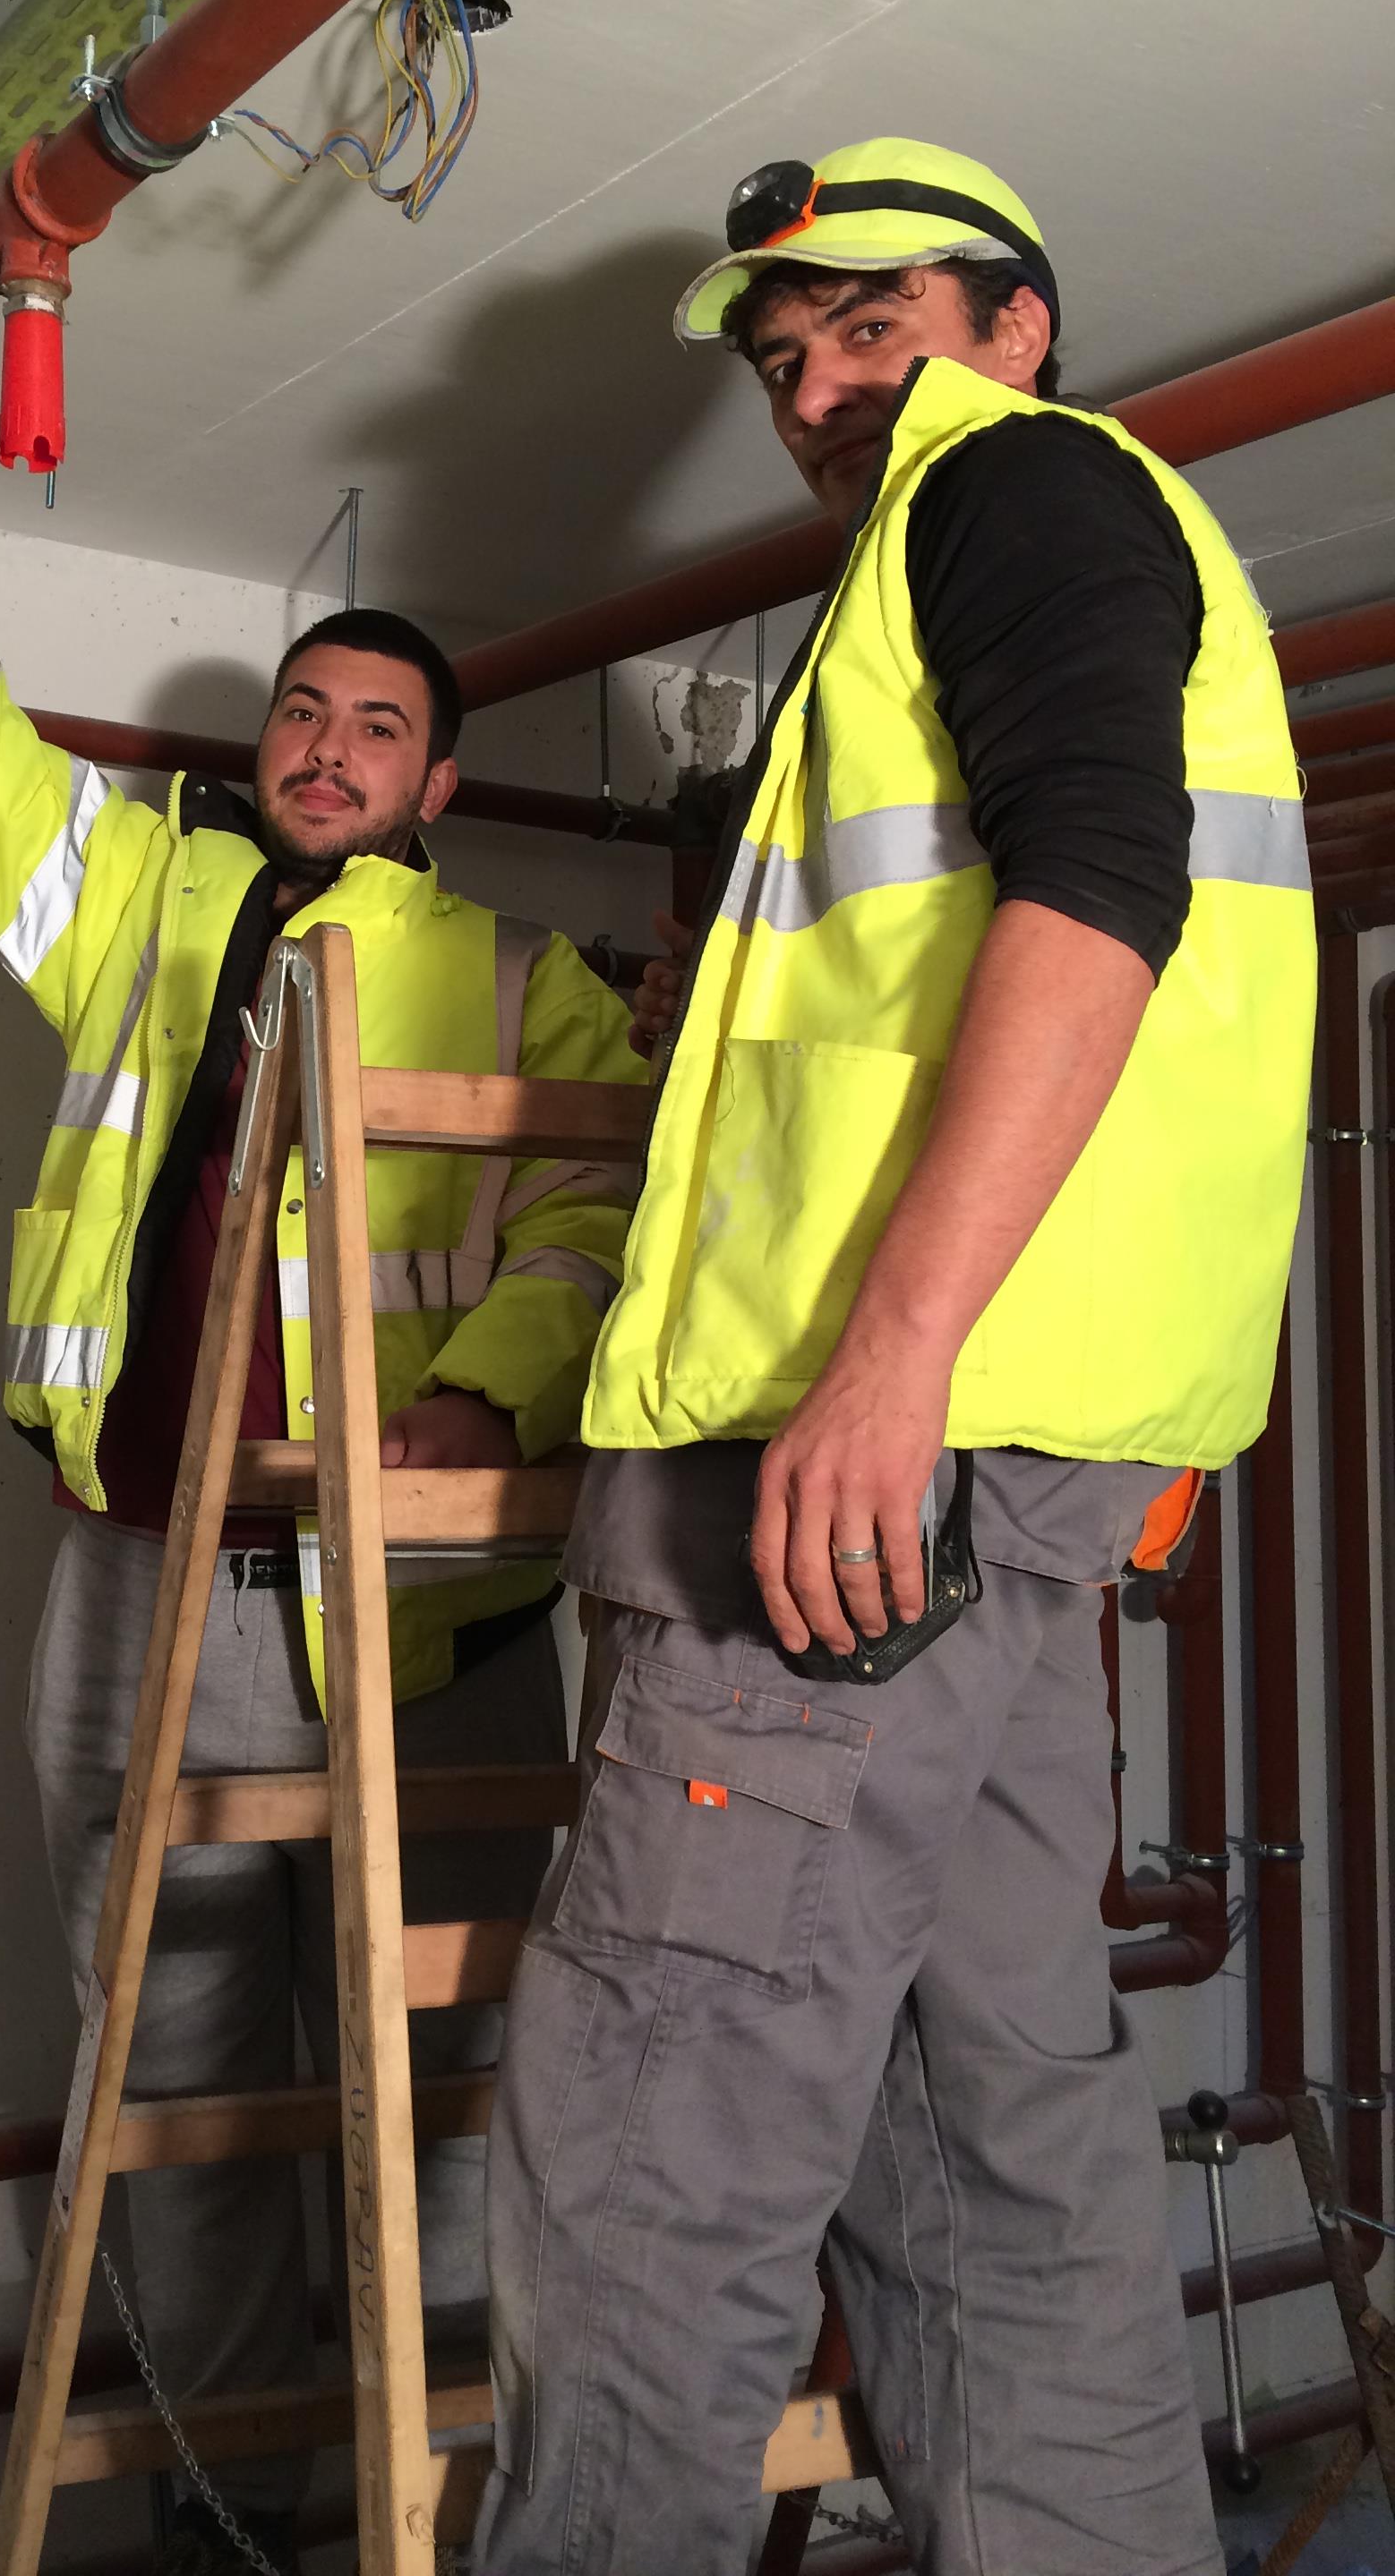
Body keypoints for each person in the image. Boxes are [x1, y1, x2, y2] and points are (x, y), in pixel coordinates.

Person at [473, 139, 1314, 2576]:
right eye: (783, 358)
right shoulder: (985, 563)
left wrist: (890, 1358)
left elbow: (1100, 894)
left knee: (654, 2132)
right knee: (994, 2136)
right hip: (1002, 1487)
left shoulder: (1010, 483)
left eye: (872, 323)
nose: (821, 385)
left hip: (862, 1468)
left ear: (1011, 326)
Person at [0, 271, 646, 2576]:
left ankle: (448, 2513)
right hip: (139, 1575)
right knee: (165, 2068)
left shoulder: (525, 979)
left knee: (447, 2083)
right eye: (303, 712)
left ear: (438, 785)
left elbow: (594, 1229)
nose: (329, 747)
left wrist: (478, 1395)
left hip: (419, 1615)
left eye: (378, 728)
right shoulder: (139, 901)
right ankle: (232, 2516)